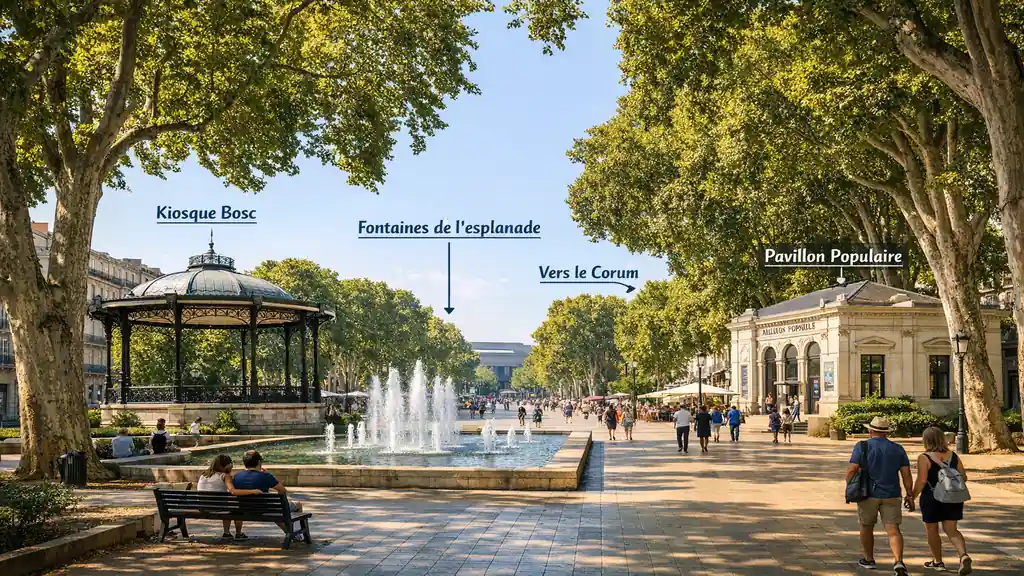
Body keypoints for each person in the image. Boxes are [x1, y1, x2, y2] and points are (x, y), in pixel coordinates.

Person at [845, 417, 913, 576]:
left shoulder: (862, 446)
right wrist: (909, 494)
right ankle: (898, 561)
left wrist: (849, 485)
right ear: (886, 432)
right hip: (892, 493)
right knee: (893, 530)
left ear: (870, 430)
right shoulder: (897, 448)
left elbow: (852, 469)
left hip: (867, 493)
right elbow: (906, 474)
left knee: (866, 526)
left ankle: (868, 559)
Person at [909, 427, 973, 575]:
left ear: (926, 440)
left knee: (932, 530)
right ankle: (963, 555)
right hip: (953, 496)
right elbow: (963, 477)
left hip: (932, 497)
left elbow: (922, 480)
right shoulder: (953, 455)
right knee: (952, 530)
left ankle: (937, 561)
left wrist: (912, 495)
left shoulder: (924, 457)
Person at [232, 450, 307, 541]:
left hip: (243, 509)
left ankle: (238, 533)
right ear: (259, 462)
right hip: (264, 509)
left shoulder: (237, 476)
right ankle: (293, 533)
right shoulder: (265, 476)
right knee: (297, 505)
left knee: (275, 510)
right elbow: (282, 490)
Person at [197, 454, 264, 539]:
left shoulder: (203, 475)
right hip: (217, 508)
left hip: (203, 507)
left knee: (227, 505)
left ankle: (227, 533)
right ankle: (238, 533)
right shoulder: (225, 476)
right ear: (227, 465)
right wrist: (253, 491)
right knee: (238, 508)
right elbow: (233, 491)